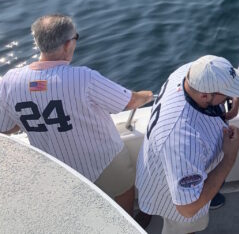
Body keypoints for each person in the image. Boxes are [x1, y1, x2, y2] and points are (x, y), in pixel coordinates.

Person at [0, 14, 153, 214]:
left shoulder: (9, 81)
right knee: (123, 190)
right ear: (68, 45)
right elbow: (129, 101)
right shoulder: (83, 78)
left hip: (57, 166)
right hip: (102, 159)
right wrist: (146, 95)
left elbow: (7, 127)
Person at [135, 55, 239, 234]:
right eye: (227, 93)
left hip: (170, 167)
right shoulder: (183, 142)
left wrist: (234, 101)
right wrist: (230, 157)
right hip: (172, 197)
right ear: (204, 95)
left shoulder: (189, 72)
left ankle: (208, 193)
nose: (231, 95)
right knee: (187, 227)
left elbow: (224, 78)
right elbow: (188, 208)